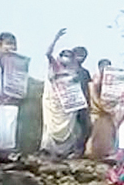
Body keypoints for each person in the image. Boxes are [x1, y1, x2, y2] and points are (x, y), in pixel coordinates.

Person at [41, 29, 84, 158]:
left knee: (69, 126)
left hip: (67, 102)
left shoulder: (74, 70)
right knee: (50, 125)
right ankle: (47, 149)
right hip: (53, 101)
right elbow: (48, 53)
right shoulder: (55, 66)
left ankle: (65, 151)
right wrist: (56, 38)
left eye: (69, 55)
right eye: (64, 55)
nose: (66, 57)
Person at [86, 59, 118, 160]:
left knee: (109, 135)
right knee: (94, 135)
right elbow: (93, 93)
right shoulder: (93, 82)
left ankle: (108, 154)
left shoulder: (113, 84)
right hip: (96, 112)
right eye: (103, 66)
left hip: (109, 114)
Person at [73, 46, 93, 157]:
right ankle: (70, 151)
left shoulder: (85, 72)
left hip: (83, 104)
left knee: (87, 127)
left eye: (83, 56)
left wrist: (89, 103)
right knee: (71, 129)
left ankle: (79, 151)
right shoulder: (66, 71)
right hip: (69, 104)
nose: (81, 58)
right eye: (79, 55)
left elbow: (88, 88)